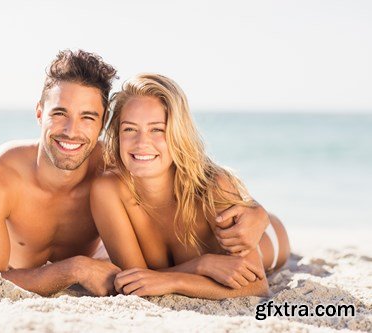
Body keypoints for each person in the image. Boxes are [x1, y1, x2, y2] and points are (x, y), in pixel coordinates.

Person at [90, 73, 290, 299]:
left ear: (177, 133)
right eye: (129, 129)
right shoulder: (108, 189)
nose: (141, 142)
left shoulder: (213, 186)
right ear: (117, 134)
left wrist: (173, 280)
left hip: (270, 238)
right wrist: (201, 265)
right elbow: (137, 281)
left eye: (157, 129)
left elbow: (256, 287)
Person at [0, 49, 121, 296]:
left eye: (88, 118)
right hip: (10, 251)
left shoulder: (114, 171)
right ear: (40, 113)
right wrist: (75, 268)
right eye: (60, 113)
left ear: (102, 124)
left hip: (92, 253)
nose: (72, 131)